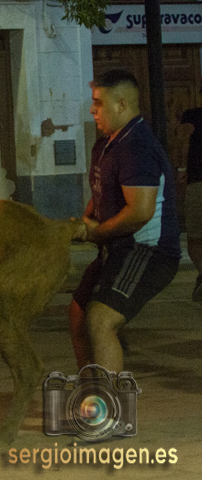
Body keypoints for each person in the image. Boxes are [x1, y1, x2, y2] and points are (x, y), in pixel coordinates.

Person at [69, 69, 181, 374]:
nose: (92, 109)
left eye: (98, 102)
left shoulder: (137, 146)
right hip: (117, 249)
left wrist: (97, 233)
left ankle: (108, 402)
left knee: (101, 319)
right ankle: (91, 389)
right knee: (79, 314)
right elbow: (100, 193)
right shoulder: (107, 143)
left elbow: (140, 212)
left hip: (147, 251)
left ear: (121, 105)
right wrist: (83, 222)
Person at [180, 107, 202, 302]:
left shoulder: (192, 115)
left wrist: (181, 168)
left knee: (195, 239)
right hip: (197, 181)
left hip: (198, 181)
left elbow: (185, 141)